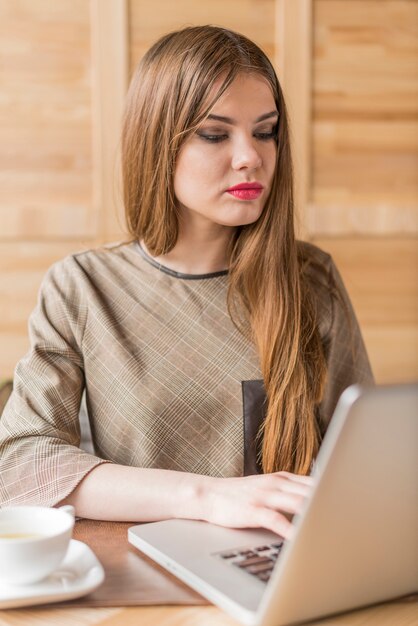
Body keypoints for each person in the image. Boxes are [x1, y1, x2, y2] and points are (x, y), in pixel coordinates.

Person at [0, 26, 373, 538]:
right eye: (215, 134)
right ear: (157, 143)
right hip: (137, 571)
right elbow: (23, 464)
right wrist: (205, 497)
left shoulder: (311, 280)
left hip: (282, 566)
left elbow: (368, 454)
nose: (250, 157)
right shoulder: (82, 287)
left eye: (265, 131)